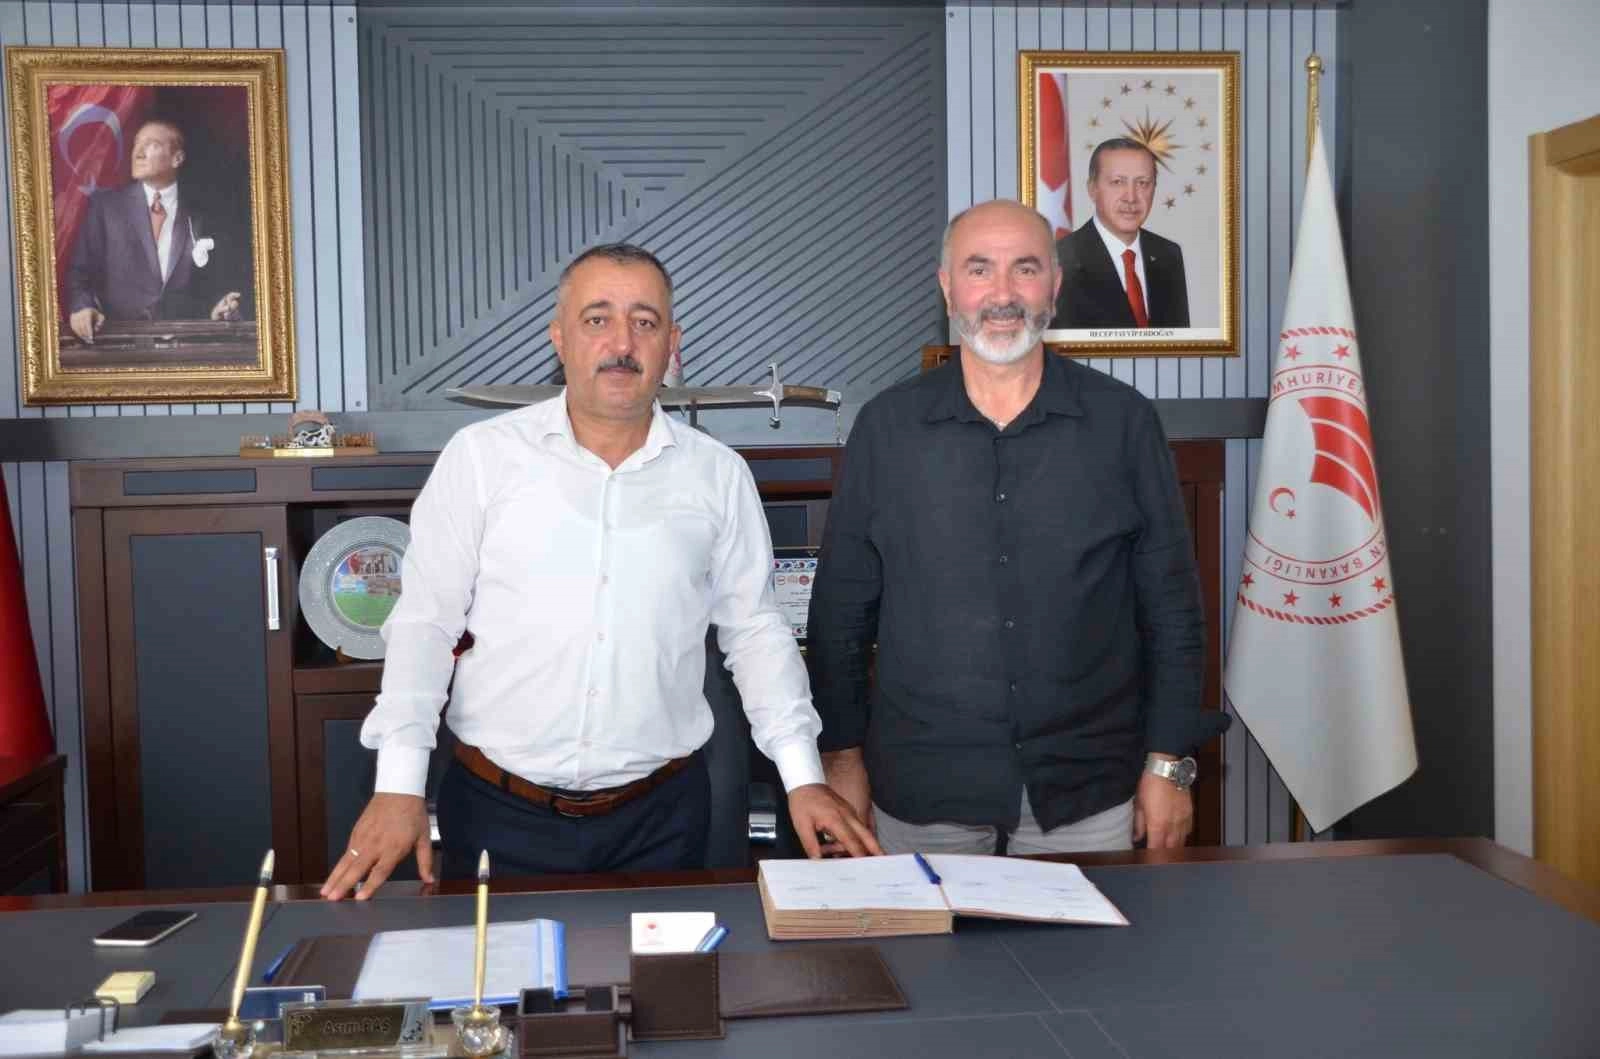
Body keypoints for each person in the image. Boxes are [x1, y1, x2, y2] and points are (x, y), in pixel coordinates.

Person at [322, 243, 879, 900]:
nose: (622, 343)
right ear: (559, 338)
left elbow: (756, 634)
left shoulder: (718, 475)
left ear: (672, 345)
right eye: (597, 319)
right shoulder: (480, 459)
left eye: (645, 322)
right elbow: (424, 625)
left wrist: (803, 777)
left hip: (663, 821)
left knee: (670, 972)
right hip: (498, 816)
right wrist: (398, 784)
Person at [808, 199, 1228, 857]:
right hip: (923, 793)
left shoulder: (1123, 424)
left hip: (1090, 793)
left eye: (1025, 269)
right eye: (979, 270)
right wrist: (841, 759)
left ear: (1054, 287)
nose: (1002, 294)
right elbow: (840, 615)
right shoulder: (886, 430)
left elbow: (1173, 611)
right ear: (948, 288)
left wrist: (1169, 762)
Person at [64, 118, 246, 344]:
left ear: (177, 158)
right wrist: (82, 307)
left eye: (152, 144)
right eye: (136, 144)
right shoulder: (106, 207)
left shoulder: (205, 212)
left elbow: (214, 284)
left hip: (188, 347)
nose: (138, 153)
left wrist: (217, 307)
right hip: (119, 345)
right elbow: (79, 274)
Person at [1051, 137, 1189, 330]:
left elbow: (1180, 342)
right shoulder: (1061, 257)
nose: (1131, 197)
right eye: (1117, 182)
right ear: (1092, 189)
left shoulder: (1168, 254)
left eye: (1143, 183)